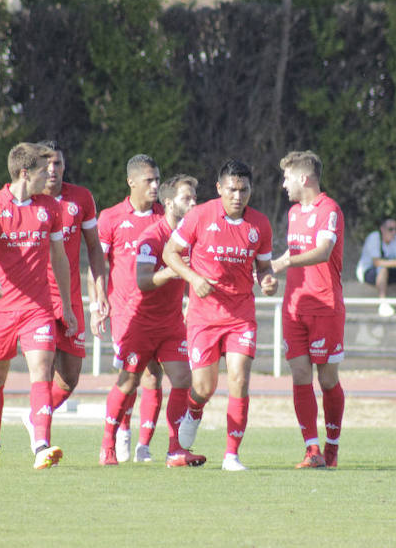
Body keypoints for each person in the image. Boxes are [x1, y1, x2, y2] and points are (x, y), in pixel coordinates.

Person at [163, 159, 278, 471]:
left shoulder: (260, 225)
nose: (238, 196)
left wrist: (267, 280)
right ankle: (194, 410)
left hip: (241, 314)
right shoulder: (200, 216)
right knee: (204, 387)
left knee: (239, 379)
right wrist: (193, 278)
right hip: (204, 316)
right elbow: (169, 253)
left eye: (244, 190)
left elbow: (264, 267)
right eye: (232, 190)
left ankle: (231, 455)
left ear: (251, 190)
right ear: (219, 189)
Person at [0, 142, 77, 470]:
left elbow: (59, 257)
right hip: (0, 309)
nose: (51, 175)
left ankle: (41, 445)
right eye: (45, 170)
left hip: (37, 308)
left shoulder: (49, 208)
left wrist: (68, 306)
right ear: (24, 172)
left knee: (42, 370)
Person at [99, 175, 207, 467]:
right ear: (169, 202)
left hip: (171, 325)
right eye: (187, 198)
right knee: (129, 382)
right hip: (141, 323)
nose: (194, 203)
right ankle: (108, 442)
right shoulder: (151, 237)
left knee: (184, 379)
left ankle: (175, 450)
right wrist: (174, 271)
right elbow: (144, 281)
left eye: (195, 197)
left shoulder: (192, 237)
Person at [23, 141, 107, 437]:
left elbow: (95, 248)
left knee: (69, 379)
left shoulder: (81, 198)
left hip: (70, 300)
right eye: (45, 164)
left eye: (57, 163)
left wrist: (100, 292)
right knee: (42, 370)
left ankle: (34, 417)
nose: (51, 169)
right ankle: (42, 442)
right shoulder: (27, 200)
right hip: (38, 302)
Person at [271, 151, 346, 468]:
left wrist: (284, 262)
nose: (283, 185)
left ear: (304, 178)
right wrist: (271, 271)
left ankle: (331, 446)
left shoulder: (330, 209)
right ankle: (312, 449)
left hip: (325, 306)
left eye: (287, 178)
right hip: (294, 306)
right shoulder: (293, 213)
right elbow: (295, 250)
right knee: (300, 376)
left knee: (327, 380)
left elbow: (322, 251)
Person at [94, 154, 167, 463]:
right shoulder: (111, 217)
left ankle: (144, 446)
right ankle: (121, 433)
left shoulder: (165, 217)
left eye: (158, 180)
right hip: (125, 311)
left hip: (160, 311)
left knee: (154, 376)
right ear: (132, 182)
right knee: (131, 376)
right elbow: (98, 264)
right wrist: (98, 301)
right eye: (149, 180)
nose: (155, 186)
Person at [355, 217, 396, 317]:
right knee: (382, 269)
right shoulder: (374, 237)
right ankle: (382, 303)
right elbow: (377, 262)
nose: (394, 232)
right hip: (368, 271)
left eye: (395, 229)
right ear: (382, 229)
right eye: (390, 229)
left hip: (390, 271)